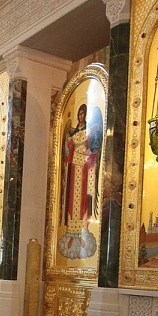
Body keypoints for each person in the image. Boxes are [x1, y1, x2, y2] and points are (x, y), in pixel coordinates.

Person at [58, 103, 104, 260]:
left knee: (82, 201)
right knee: (72, 202)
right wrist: (67, 143)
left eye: (83, 114)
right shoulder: (73, 132)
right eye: (79, 114)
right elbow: (68, 150)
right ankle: (71, 234)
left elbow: (94, 146)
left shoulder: (90, 130)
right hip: (74, 169)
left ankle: (82, 231)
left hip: (84, 168)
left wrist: (89, 151)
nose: (81, 116)